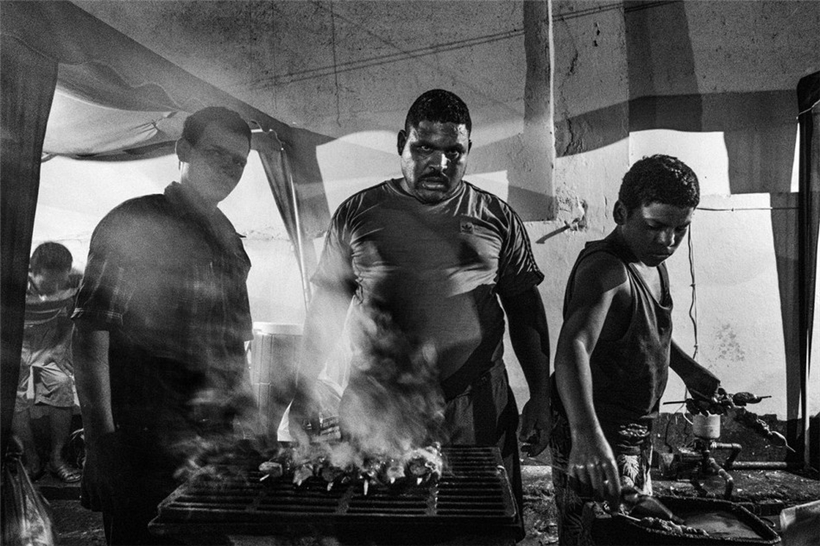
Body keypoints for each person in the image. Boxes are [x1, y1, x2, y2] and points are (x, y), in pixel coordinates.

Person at [288, 89, 551, 519]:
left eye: (454, 152)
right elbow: (327, 308)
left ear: (468, 153)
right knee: (377, 522)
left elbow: (526, 313)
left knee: (477, 525)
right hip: (378, 404)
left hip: (473, 408)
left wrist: (540, 395)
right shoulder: (359, 213)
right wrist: (302, 388)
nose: (439, 163)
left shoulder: (496, 218)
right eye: (424, 147)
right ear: (401, 144)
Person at [72, 106, 256, 545]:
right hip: (143, 443)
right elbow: (90, 333)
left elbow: (234, 348)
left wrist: (249, 421)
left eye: (239, 163)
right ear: (183, 150)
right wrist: (102, 444)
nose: (229, 169)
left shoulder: (230, 241)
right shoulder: (136, 223)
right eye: (217, 153)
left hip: (213, 442)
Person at [550, 154, 721, 545]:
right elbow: (572, 347)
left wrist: (687, 369)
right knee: (599, 536)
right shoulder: (607, 270)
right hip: (597, 431)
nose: (669, 241)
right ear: (620, 212)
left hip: (634, 431)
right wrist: (587, 437)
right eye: (655, 226)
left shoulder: (652, 263)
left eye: (681, 229)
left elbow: (645, 331)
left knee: (635, 533)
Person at [12, 242, 82, 483]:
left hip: (48, 338)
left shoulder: (74, 281)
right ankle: (31, 458)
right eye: (47, 282)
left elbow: (74, 315)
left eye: (58, 282)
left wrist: (60, 347)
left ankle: (57, 458)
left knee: (61, 385)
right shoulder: (13, 281)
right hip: (15, 338)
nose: (54, 288)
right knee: (12, 396)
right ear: (31, 271)